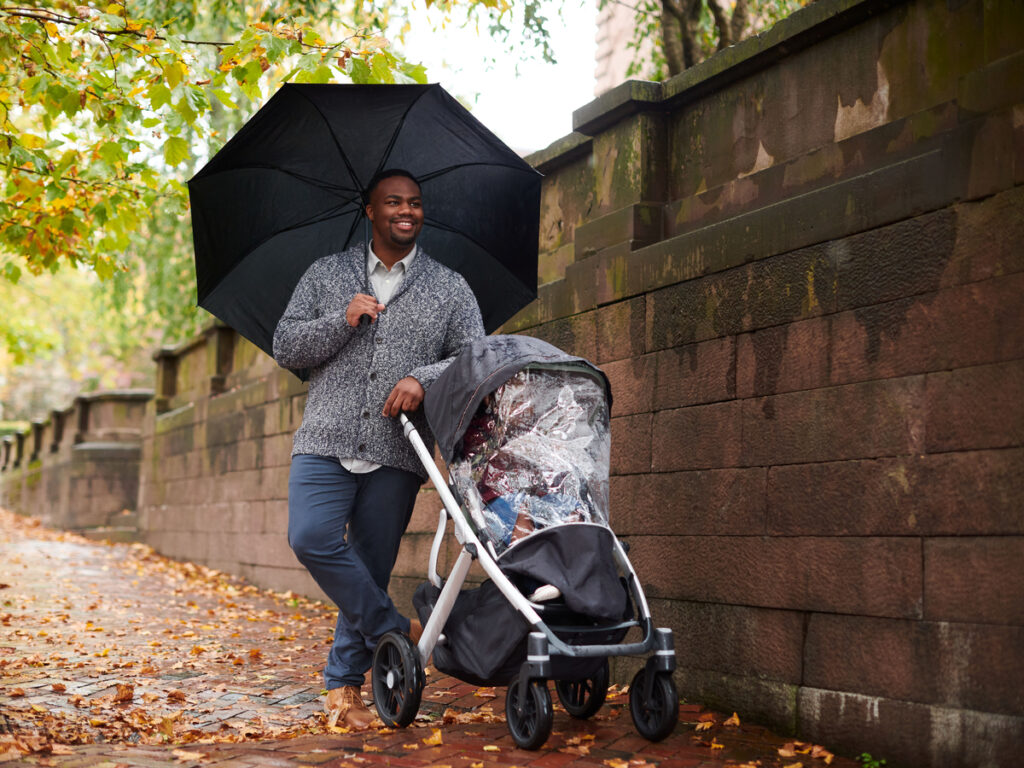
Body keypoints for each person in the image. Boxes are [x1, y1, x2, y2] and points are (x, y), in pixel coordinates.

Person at [272, 169, 485, 730]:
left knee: (370, 563)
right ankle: (394, 627)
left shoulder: (449, 287)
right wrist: (340, 321)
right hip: (325, 439)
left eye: (414, 203)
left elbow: (475, 357)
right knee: (310, 537)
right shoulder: (327, 274)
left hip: (399, 448)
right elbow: (285, 344)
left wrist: (424, 377)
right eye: (393, 202)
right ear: (371, 210)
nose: (406, 211)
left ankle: (343, 690)